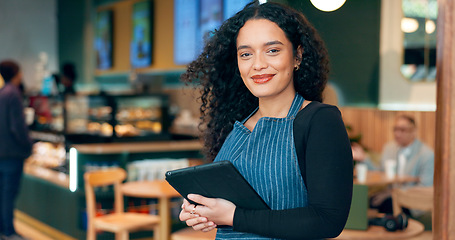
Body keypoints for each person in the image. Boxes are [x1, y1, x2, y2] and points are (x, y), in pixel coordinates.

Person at [178, 2, 353, 239]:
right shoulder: (236, 125)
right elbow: (225, 202)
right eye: (246, 54)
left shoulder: (319, 121)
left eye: (272, 50)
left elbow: (327, 221)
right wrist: (201, 210)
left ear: (297, 56)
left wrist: (232, 216)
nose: (258, 64)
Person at [353, 115, 434, 214]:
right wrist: (364, 158)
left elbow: (425, 187)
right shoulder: (389, 148)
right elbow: (381, 173)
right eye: (395, 129)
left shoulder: (426, 154)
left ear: (414, 132)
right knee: (369, 201)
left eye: (403, 130)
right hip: (389, 195)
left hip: (413, 202)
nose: (397, 133)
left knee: (384, 205)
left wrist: (392, 193)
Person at [0, 60, 33, 240]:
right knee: (8, 194)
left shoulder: (2, 93)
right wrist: (29, 145)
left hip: (1, 152)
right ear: (16, 73)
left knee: (2, 193)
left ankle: (3, 230)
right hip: (12, 154)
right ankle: (9, 232)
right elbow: (17, 127)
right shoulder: (13, 94)